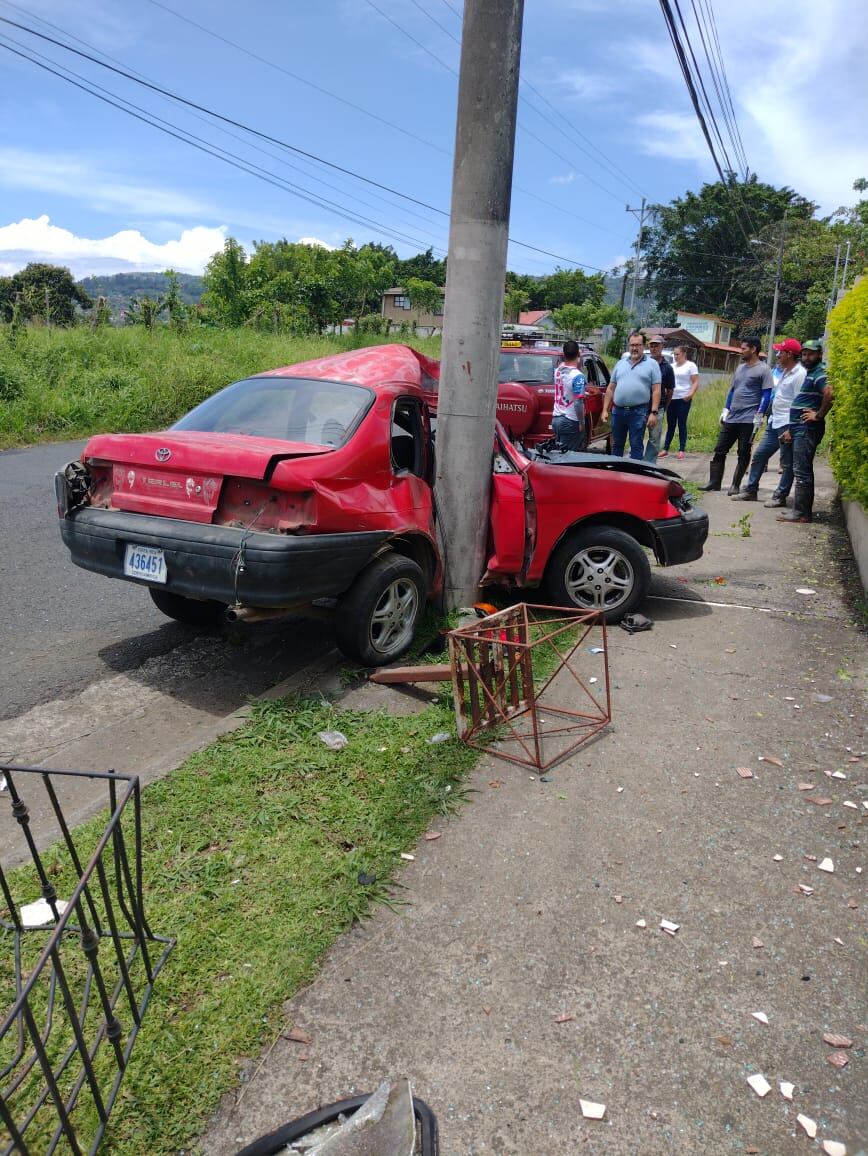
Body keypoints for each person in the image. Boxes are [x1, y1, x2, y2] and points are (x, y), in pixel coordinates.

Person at [731, 338, 805, 504]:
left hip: (787, 423)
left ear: (790, 354)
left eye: (780, 352)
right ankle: (751, 490)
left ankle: (780, 496)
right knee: (759, 455)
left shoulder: (800, 374)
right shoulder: (784, 371)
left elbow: (800, 403)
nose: (777, 355)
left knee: (787, 463)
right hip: (775, 421)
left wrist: (792, 428)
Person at [699, 337, 773, 493]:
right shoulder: (740, 368)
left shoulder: (764, 370)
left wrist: (759, 415)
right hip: (732, 417)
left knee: (743, 451)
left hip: (749, 418)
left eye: (744, 348)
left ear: (753, 349)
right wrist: (726, 409)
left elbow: (767, 394)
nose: (741, 351)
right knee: (720, 449)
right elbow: (733, 390)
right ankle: (714, 482)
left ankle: (735, 485)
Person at [777, 339, 833, 523]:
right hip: (800, 429)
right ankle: (801, 512)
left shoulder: (819, 373)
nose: (806, 357)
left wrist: (818, 415)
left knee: (802, 471)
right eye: (804, 354)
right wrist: (791, 430)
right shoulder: (811, 373)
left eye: (811, 354)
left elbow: (830, 393)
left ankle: (801, 513)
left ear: (819, 354)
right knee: (800, 469)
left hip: (808, 429)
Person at [601, 332, 661, 460]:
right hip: (618, 411)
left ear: (643, 346)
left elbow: (656, 390)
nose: (634, 348)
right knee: (617, 445)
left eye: (638, 345)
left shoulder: (652, 364)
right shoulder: (620, 363)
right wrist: (605, 410)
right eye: (632, 345)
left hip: (638, 412)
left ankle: (634, 475)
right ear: (628, 346)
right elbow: (611, 388)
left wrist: (653, 412)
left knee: (636, 445)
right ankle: (616, 474)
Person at [660, 344, 699, 459]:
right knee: (671, 424)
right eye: (674, 354)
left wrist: (690, 394)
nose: (675, 356)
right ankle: (665, 448)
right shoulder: (671, 366)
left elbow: (696, 381)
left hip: (683, 398)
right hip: (671, 398)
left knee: (681, 423)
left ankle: (682, 449)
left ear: (684, 354)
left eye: (677, 354)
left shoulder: (690, 365)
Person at [551, 339, 588, 451]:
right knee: (568, 457)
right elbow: (578, 402)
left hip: (556, 418)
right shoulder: (578, 376)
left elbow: (566, 388)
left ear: (564, 354)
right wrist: (581, 422)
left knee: (559, 453)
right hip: (570, 420)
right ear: (578, 354)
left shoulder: (557, 371)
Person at [643, 336, 674, 464]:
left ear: (662, 347)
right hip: (641, 406)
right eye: (652, 345)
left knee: (655, 439)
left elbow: (670, 390)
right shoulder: (643, 363)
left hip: (658, 409)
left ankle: (649, 464)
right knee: (637, 436)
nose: (654, 348)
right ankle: (636, 463)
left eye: (657, 345)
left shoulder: (667, 368)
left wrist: (663, 407)